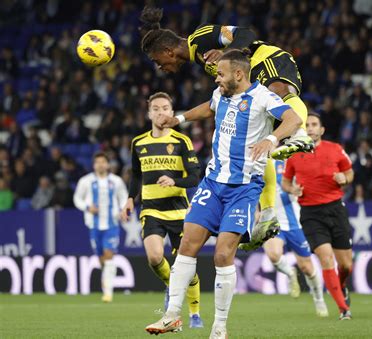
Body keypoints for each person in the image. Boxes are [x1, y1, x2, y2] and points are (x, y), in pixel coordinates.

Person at [145, 50, 302, 338]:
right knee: (188, 245)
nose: (216, 78)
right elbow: (209, 106)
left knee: (222, 254)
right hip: (212, 183)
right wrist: (178, 119)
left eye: (220, 74)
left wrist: (271, 137)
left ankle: (219, 327)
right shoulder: (221, 94)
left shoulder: (264, 98)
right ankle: (171, 316)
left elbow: (293, 119)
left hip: (243, 188)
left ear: (238, 74)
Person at [138, 6, 314, 249]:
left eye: (158, 61)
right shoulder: (204, 63)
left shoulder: (201, 37)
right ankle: (268, 213)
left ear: (168, 51)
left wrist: (227, 54)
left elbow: (246, 34)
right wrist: (178, 119)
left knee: (279, 93)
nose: (160, 67)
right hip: (250, 77)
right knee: (256, 142)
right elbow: (212, 105)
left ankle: (301, 134)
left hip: (266, 59)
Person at [120, 92, 203, 328]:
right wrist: (129, 199)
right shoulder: (138, 142)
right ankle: (171, 286)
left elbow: (195, 177)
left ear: (171, 111)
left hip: (179, 212)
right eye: (155, 108)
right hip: (151, 210)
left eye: (165, 108)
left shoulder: (181, 141)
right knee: (155, 256)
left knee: (185, 267)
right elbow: (136, 174)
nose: (160, 112)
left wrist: (174, 181)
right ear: (149, 113)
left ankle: (195, 313)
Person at [282, 113, 354, 320]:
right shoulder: (294, 154)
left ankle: (341, 285)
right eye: (307, 125)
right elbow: (286, 182)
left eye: (314, 125)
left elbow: (349, 172)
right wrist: (292, 189)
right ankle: (343, 309)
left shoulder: (335, 149)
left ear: (321, 130)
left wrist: (344, 178)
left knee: (346, 265)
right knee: (325, 257)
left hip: (335, 209)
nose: (311, 128)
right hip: (311, 213)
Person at [263, 159, 328, 317]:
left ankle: (319, 299)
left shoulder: (289, 161)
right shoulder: (258, 162)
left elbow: (307, 183)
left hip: (295, 222)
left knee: (307, 268)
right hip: (273, 221)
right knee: (273, 254)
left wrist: (297, 189)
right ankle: (290, 273)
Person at [73, 152, 128, 302]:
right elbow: (77, 198)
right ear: (94, 165)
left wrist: (122, 210)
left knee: (109, 255)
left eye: (103, 162)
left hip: (112, 224)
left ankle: (108, 293)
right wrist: (87, 207)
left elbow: (123, 196)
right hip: (94, 224)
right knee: (101, 258)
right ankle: (107, 278)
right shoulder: (86, 181)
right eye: (97, 162)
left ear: (108, 164)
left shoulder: (116, 181)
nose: (100, 164)